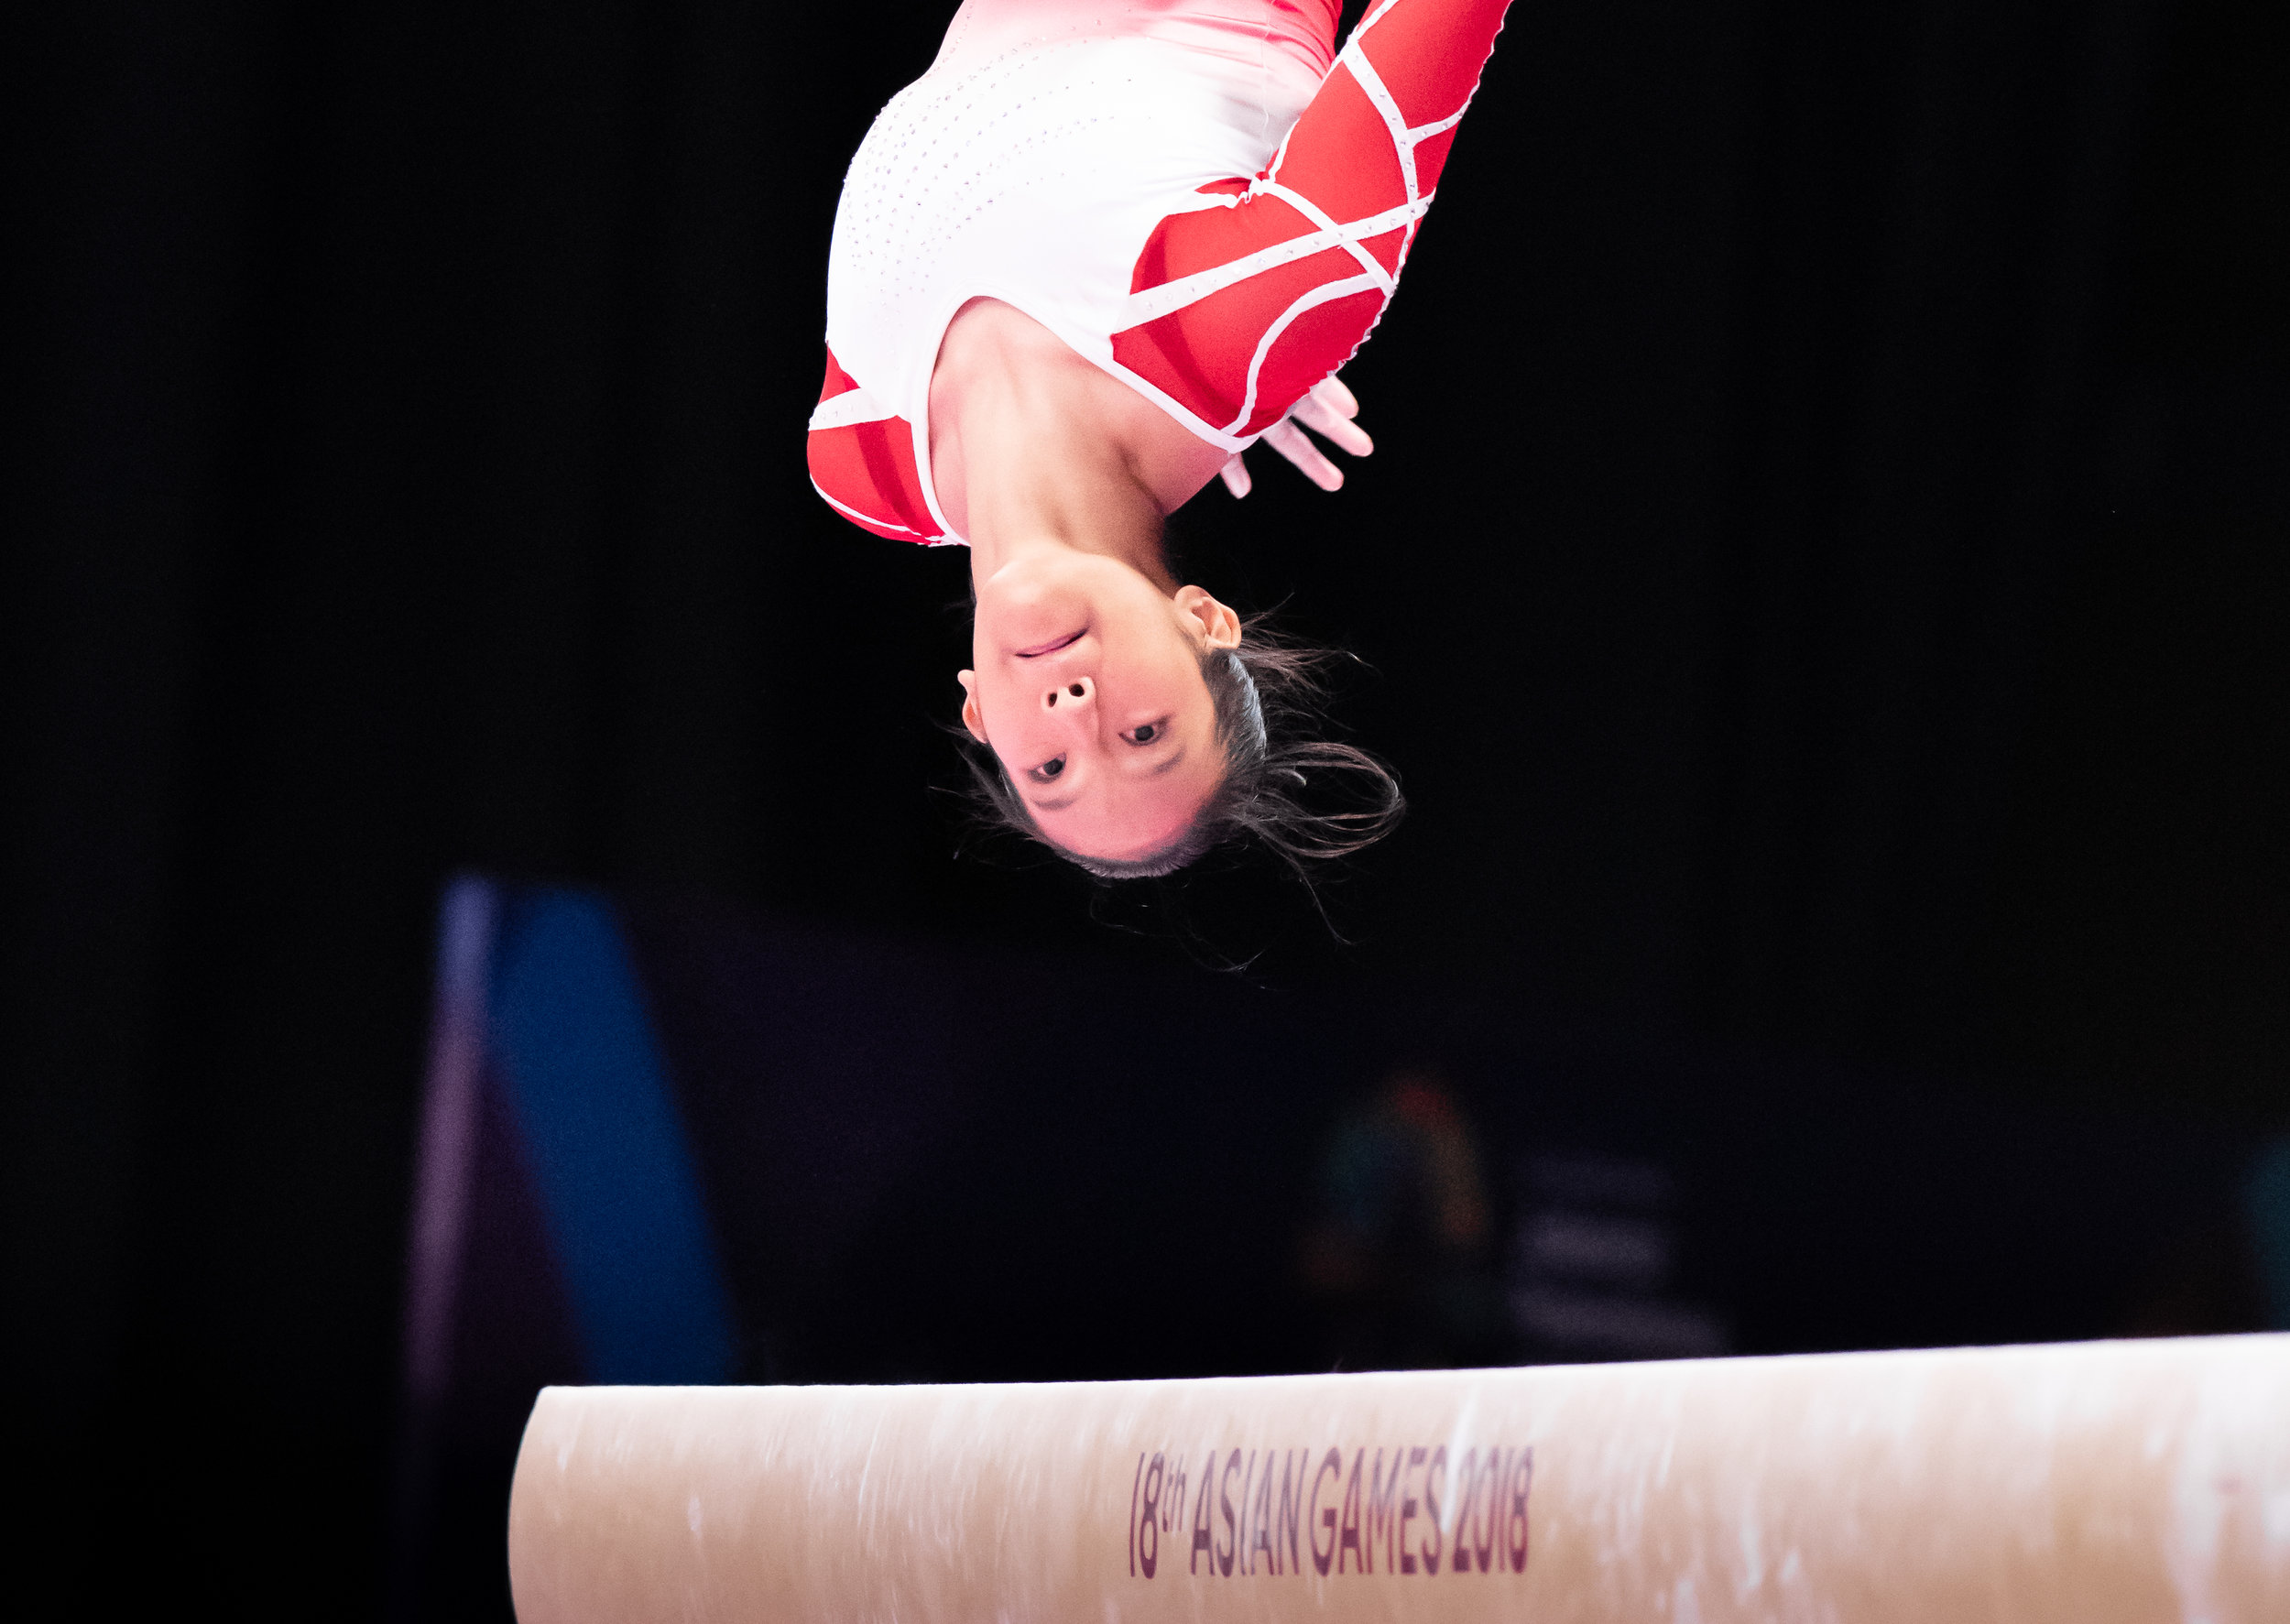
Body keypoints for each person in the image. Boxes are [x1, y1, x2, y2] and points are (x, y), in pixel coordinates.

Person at [808, 0, 1514, 876]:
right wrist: (1251, 355)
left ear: (981, 715)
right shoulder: (1252, 318)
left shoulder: (863, 458)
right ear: (1205, 622)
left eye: (1050, 767)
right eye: (1146, 732)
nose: (1075, 708)